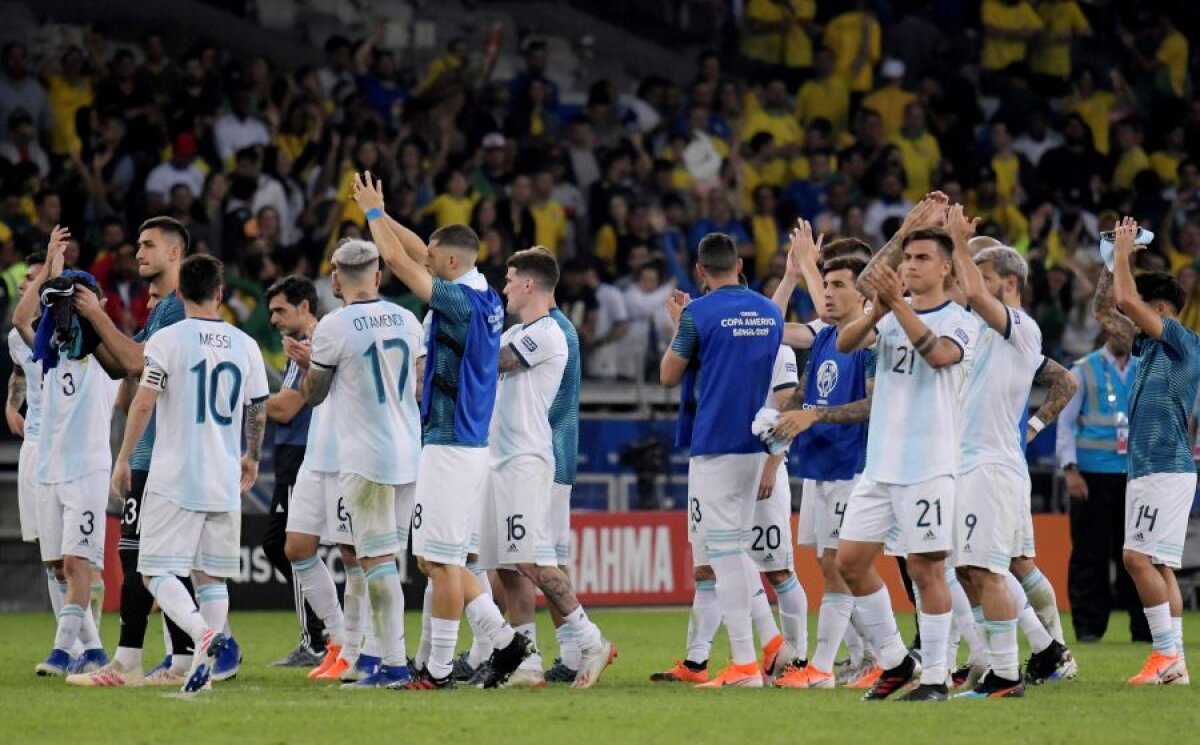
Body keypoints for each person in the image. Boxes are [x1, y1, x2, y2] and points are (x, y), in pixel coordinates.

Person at [350, 172, 532, 690]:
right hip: (460, 442)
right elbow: (417, 250)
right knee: (440, 557)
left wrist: (371, 217)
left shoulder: (459, 302)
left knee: (438, 561)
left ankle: (439, 669)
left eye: (436, 254)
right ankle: (503, 641)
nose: (428, 256)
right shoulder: (481, 290)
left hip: (452, 443)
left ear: (450, 263)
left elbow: (404, 264)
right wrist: (384, 214)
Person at [67, 217, 218, 687]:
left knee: (142, 559)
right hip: (157, 455)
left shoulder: (175, 311)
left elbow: (135, 362)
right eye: (137, 245)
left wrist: (96, 315)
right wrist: (87, 332)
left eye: (149, 245)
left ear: (176, 253)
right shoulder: (162, 310)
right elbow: (122, 368)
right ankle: (175, 660)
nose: (139, 253)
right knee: (151, 560)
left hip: (160, 455)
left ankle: (132, 661)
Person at [111, 254, 268, 693]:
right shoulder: (245, 344)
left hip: (174, 475)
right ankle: (206, 673)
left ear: (179, 293)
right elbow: (257, 407)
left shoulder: (167, 339)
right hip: (224, 477)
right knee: (211, 576)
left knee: (155, 572)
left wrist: (123, 457)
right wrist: (252, 456)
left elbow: (143, 402)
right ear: (221, 293)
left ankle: (205, 637)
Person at [836, 223, 976, 702]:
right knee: (849, 562)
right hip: (881, 466)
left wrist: (896, 306)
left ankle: (937, 676)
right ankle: (897, 661)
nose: (910, 265)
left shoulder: (961, 319)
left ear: (945, 268)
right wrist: (880, 306)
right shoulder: (893, 313)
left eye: (921, 259)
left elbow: (938, 355)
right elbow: (845, 343)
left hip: (929, 466)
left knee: (925, 569)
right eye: (907, 258)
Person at [945, 210, 1076, 699]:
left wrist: (958, 241)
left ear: (1010, 283)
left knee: (990, 569)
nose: (974, 283)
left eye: (985, 276)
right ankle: (1029, 652)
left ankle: (1005, 674)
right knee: (964, 568)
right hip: (968, 464)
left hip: (991, 466)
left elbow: (973, 294)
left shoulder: (1021, 328)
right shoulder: (977, 331)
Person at [479, 248, 615, 689]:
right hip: (497, 458)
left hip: (526, 458)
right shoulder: (518, 331)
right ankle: (528, 660)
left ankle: (590, 639)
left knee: (531, 559)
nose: (504, 288)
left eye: (509, 279)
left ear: (529, 285)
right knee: (504, 567)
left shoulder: (551, 333)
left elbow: (495, 362)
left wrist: (460, 329)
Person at [298, 238, 425, 689]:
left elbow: (313, 394)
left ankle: (391, 664)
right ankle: (378, 657)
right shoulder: (409, 320)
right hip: (410, 452)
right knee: (388, 560)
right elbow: (418, 385)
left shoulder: (334, 326)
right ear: (378, 276)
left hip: (365, 457)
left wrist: (310, 364)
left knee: (374, 562)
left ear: (335, 279)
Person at [659, 232, 784, 688]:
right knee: (732, 551)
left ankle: (746, 664)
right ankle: (766, 648)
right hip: (756, 443)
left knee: (724, 555)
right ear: (738, 264)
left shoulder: (697, 314)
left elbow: (668, 375)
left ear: (699, 269)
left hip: (714, 443)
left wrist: (679, 324)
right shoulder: (770, 312)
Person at [1100, 217, 1200, 685]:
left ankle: (1162, 654)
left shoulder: (1182, 340)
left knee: (1136, 559)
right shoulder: (1153, 348)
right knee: (1156, 563)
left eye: (1143, 306)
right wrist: (1109, 263)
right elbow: (1109, 310)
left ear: (1159, 307)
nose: (1133, 312)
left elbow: (1124, 301)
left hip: (1164, 465)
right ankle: (1175, 663)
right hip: (1152, 467)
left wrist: (1124, 252)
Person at [772, 253, 878, 690]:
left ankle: (820, 666)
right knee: (825, 563)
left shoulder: (869, 343)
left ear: (862, 292)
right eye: (826, 285)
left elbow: (874, 405)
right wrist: (778, 424)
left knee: (837, 564)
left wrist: (815, 418)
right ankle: (868, 657)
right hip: (818, 465)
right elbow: (801, 383)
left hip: (850, 466)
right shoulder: (823, 338)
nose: (828, 293)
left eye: (838, 285)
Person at [13, 232, 114, 677]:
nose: (63, 313)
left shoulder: (106, 354)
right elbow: (21, 319)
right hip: (49, 470)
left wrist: (91, 308)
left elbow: (124, 356)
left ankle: (60, 650)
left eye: (70, 304)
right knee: (57, 565)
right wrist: (50, 268)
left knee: (76, 564)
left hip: (86, 471)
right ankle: (92, 650)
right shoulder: (47, 352)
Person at [1058, 294, 1146, 643]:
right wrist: (1070, 469)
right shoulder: (1084, 369)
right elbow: (1066, 424)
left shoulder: (1144, 368)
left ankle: (1143, 629)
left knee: (1136, 553)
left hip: (1135, 475)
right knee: (1089, 554)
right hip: (1091, 477)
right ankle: (1088, 628)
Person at [262, 276, 327, 668]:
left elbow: (285, 409)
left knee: (287, 545)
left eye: (280, 310)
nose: (272, 319)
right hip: (295, 453)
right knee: (283, 545)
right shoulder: (302, 349)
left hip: (303, 455)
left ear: (304, 307)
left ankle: (318, 638)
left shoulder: (314, 347)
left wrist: (237, 393)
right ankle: (323, 633)